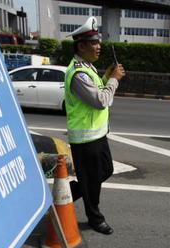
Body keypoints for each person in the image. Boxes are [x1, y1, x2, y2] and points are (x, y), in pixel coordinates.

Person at [64, 17, 125, 234]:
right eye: (93, 43)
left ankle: (67, 194)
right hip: (85, 139)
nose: (98, 47)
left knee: (105, 170)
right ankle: (95, 218)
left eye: (98, 42)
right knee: (92, 181)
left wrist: (107, 75)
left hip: (98, 135)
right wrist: (114, 80)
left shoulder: (88, 67)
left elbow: (97, 89)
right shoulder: (78, 72)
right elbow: (100, 101)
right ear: (81, 46)